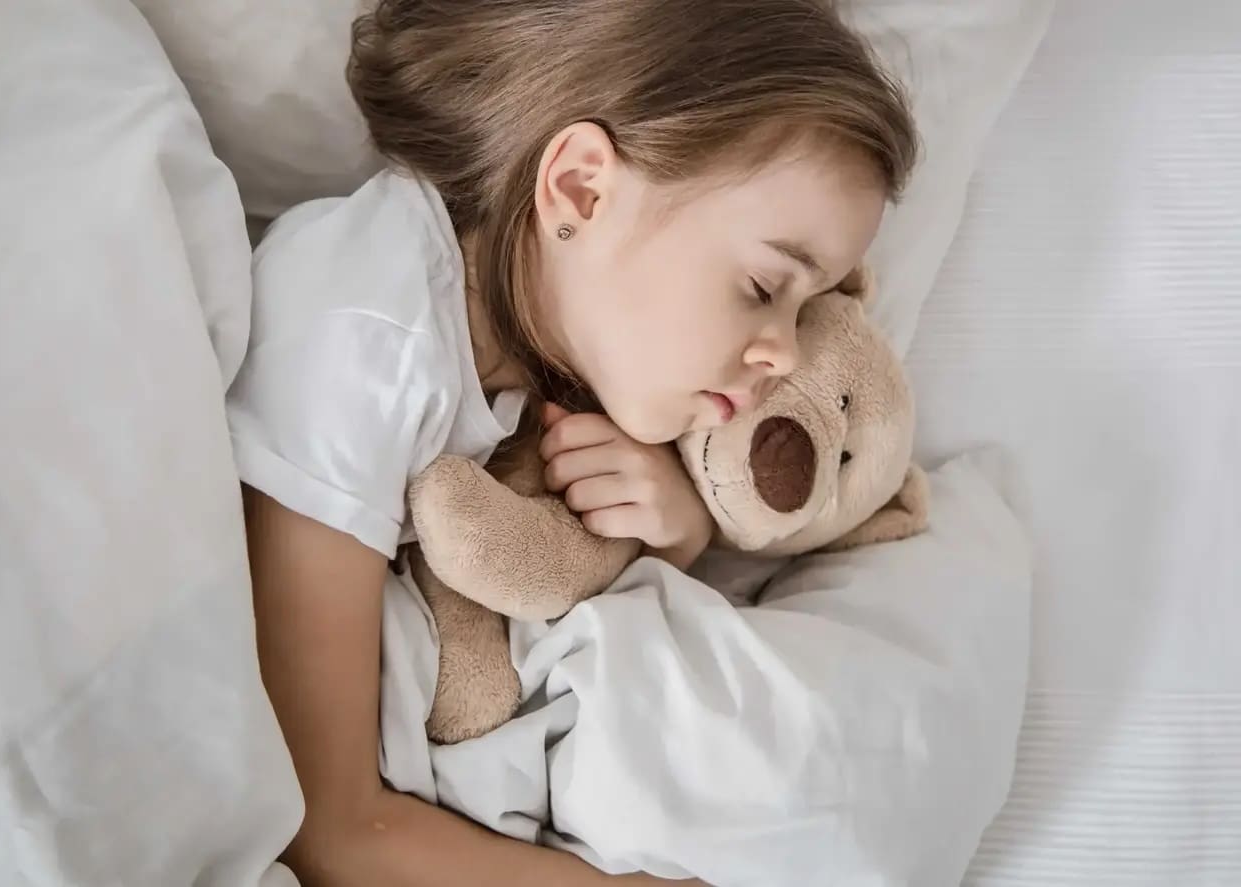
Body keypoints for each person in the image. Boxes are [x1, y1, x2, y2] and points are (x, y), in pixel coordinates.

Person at [230, 0, 918, 883]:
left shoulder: (553, 344)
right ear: (582, 189)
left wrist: (676, 530)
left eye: (806, 305)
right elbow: (325, 825)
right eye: (761, 286)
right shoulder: (365, 332)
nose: (784, 351)